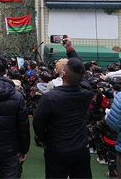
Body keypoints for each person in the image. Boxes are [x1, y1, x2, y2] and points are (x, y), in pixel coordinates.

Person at [32, 37, 93, 179]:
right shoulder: (86, 92)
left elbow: (38, 122)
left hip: (57, 149)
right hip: (80, 148)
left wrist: (44, 140)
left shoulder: (50, 97)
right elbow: (81, 71)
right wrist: (70, 49)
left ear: (63, 74)